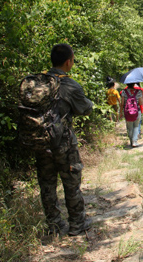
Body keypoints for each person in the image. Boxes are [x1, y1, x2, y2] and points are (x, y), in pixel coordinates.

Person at [36, 43, 93, 236]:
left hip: (40, 141)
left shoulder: (38, 81)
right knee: (71, 181)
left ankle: (54, 225)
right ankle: (77, 223)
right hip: (63, 143)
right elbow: (84, 109)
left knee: (47, 184)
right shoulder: (69, 85)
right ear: (68, 62)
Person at [119, 82, 143, 147]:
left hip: (127, 112)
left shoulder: (124, 92)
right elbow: (141, 103)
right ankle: (134, 141)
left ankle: (131, 141)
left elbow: (122, 103)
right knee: (136, 126)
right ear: (134, 84)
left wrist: (120, 112)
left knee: (129, 127)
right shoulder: (139, 91)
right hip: (137, 111)